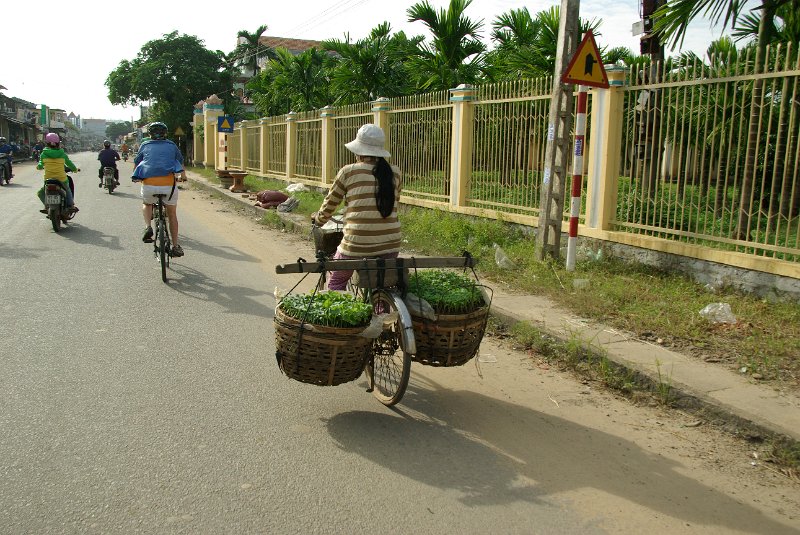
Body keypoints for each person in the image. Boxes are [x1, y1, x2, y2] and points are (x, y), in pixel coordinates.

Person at [311, 123, 401, 290]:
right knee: (380, 286)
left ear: (358, 150)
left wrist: (319, 220)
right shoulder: (395, 172)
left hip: (356, 243)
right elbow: (394, 203)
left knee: (336, 283)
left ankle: (339, 313)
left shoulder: (349, 171)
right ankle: (381, 311)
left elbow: (331, 203)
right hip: (391, 242)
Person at [132, 121, 185, 257]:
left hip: (149, 185)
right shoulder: (171, 145)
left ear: (149, 134)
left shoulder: (145, 145)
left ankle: (148, 227)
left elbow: (138, 162)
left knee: (147, 203)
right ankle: (175, 245)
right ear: (165, 134)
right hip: (169, 187)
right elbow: (180, 161)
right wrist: (183, 176)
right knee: (172, 214)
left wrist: (136, 176)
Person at [36, 133, 79, 212]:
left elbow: (40, 164)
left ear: (47, 143)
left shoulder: (43, 154)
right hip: (62, 179)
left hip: (48, 179)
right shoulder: (62, 154)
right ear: (58, 143)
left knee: (40, 193)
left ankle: (46, 206)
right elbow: (70, 164)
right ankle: (71, 205)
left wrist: (39, 167)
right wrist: (75, 169)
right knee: (68, 190)